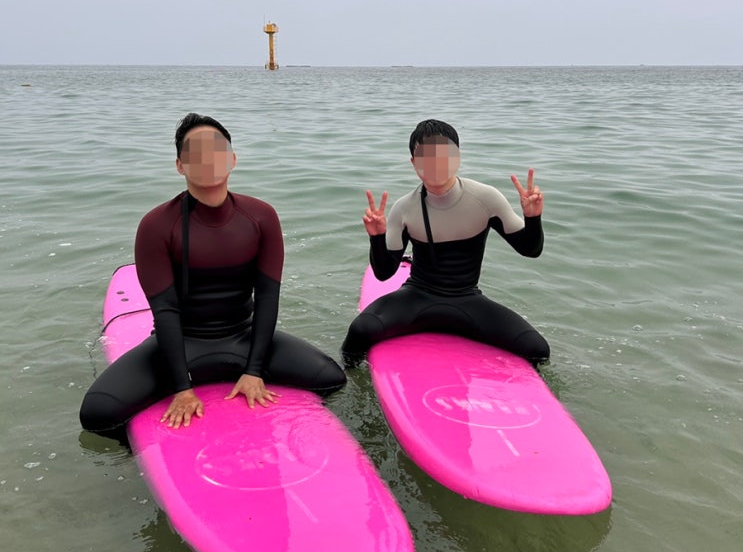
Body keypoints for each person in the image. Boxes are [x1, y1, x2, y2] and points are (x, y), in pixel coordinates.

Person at [81, 113, 345, 440]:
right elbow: (165, 311)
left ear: (232, 159)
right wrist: (181, 388)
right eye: (196, 153)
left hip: (243, 338)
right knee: (98, 412)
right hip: (180, 344)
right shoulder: (157, 225)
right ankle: (142, 446)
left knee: (330, 377)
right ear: (180, 165)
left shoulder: (261, 217)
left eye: (217, 150)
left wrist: (254, 371)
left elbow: (267, 297)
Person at [342, 119, 549, 366]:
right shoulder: (404, 208)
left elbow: (530, 249)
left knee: (536, 349)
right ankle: (353, 385)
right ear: (414, 163)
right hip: (417, 297)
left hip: (467, 299)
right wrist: (377, 238)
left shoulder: (486, 198)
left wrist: (532, 217)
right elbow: (384, 272)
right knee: (360, 331)